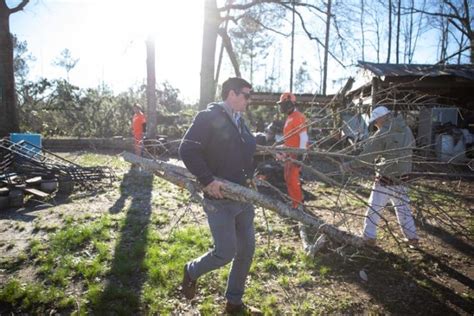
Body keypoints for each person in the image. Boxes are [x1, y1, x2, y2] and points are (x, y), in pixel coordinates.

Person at [178, 77, 261, 314]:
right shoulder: (208, 117)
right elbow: (187, 149)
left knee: (246, 251)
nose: (249, 100)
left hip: (243, 199)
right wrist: (207, 179)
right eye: (246, 95)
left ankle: (234, 302)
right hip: (220, 200)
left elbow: (244, 154)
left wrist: (251, 174)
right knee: (225, 252)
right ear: (231, 94)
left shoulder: (240, 123)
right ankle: (191, 271)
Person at [342, 105, 419, 247]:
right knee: (403, 209)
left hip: (386, 177)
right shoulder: (406, 129)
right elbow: (412, 147)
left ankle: (369, 237)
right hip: (403, 176)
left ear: (382, 118)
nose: (375, 124)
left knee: (374, 208)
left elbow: (368, 156)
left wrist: (351, 165)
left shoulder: (383, 132)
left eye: (376, 121)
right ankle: (412, 238)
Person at [276, 92, 308, 209]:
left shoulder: (298, 116)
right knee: (288, 178)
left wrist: (300, 155)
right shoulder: (290, 117)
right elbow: (291, 138)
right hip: (289, 153)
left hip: (295, 154)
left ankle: (298, 205)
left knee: (293, 180)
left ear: (289, 103)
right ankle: (294, 201)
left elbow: (303, 137)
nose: (281, 107)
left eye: (283, 104)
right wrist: (282, 149)